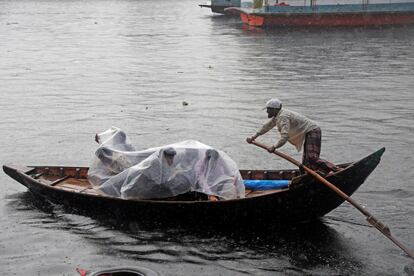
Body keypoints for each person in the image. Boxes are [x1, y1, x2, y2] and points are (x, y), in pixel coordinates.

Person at [247, 98, 339, 175]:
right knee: (306, 164)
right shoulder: (277, 116)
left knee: (312, 158)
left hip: (312, 131)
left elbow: (285, 136)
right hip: (309, 132)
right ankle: (316, 175)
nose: (267, 111)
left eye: (268, 109)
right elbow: (266, 127)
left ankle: (336, 170)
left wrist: (274, 147)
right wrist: (253, 137)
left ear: (274, 109)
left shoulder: (283, 116)